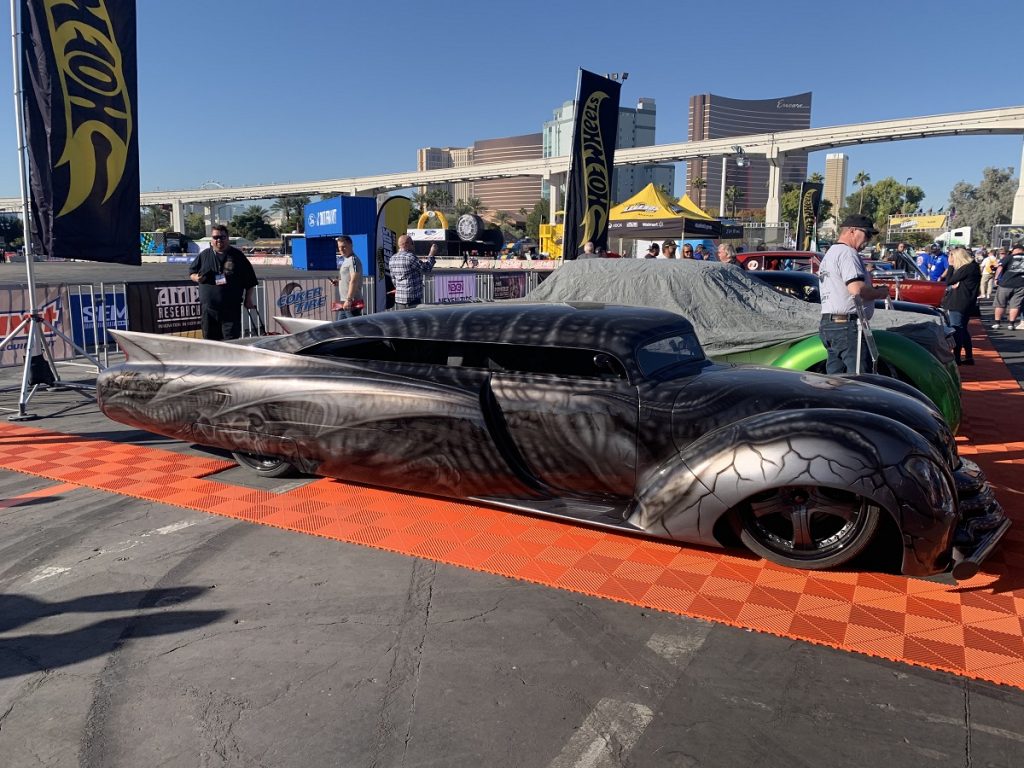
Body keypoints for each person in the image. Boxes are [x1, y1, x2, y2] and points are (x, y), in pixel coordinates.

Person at [816, 214, 890, 374]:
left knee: (837, 382)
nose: (868, 240)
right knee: (860, 382)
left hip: (831, 324)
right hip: (846, 326)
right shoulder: (847, 253)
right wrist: (879, 293)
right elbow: (857, 290)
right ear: (852, 231)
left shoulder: (831, 254)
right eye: (867, 234)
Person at [188, 224, 258, 340]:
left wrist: (248, 300)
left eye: (222, 237)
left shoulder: (238, 256)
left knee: (231, 342)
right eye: (215, 237)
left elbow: (250, 281)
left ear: (228, 238)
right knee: (210, 343)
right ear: (211, 239)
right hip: (209, 310)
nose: (219, 240)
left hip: (231, 309)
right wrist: (197, 278)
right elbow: (192, 273)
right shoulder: (204, 255)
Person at [941, 247, 981, 365]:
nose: (949, 258)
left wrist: (950, 266)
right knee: (963, 328)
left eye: (951, 256)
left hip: (958, 302)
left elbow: (948, 281)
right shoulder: (973, 267)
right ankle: (968, 356)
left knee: (957, 329)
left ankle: (957, 357)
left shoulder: (966, 268)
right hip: (967, 302)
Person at [389, 234, 436, 310]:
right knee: (414, 320)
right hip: (412, 298)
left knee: (403, 321)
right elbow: (426, 268)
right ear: (406, 244)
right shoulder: (410, 257)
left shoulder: (392, 259)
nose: (413, 245)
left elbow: (394, 280)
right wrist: (432, 253)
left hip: (400, 299)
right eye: (412, 243)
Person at [991, 243, 1024, 330]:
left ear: (1015, 250)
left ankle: (997, 323)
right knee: (1015, 305)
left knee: (1000, 303)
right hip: (1021, 284)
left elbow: (1000, 267)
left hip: (1006, 283)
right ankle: (1011, 324)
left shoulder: (1009, 257)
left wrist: (996, 278)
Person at [331, 235, 364, 319]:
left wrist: (349, 300)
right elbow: (348, 279)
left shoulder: (354, 260)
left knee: (354, 329)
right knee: (341, 328)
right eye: (339, 247)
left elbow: (354, 281)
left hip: (352, 303)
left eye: (344, 246)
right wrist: (339, 282)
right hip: (344, 302)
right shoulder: (346, 260)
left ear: (351, 245)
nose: (341, 249)